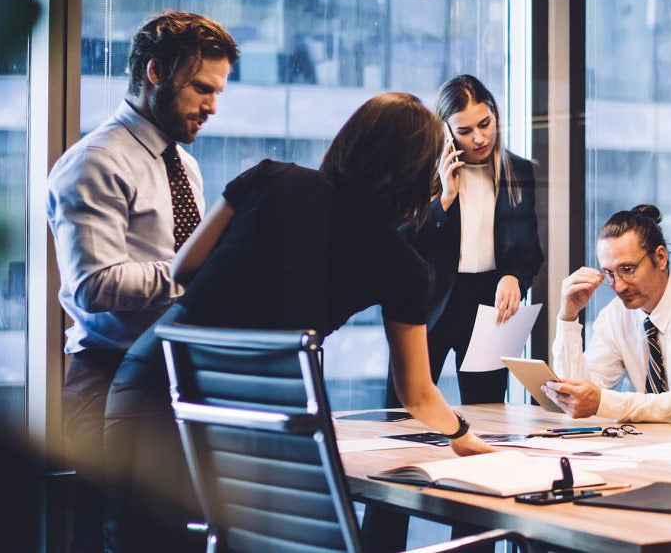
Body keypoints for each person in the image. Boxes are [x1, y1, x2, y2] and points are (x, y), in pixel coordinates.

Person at [101, 93, 494, 553]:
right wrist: (463, 436)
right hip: (262, 407)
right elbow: (418, 393)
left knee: (133, 540)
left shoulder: (272, 177)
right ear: (416, 173)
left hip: (157, 374)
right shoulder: (400, 262)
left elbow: (183, 269)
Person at [46, 10, 237, 553]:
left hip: (168, 378)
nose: (212, 106)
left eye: (218, 91)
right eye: (202, 88)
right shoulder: (95, 162)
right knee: (122, 540)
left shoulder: (183, 165)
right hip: (107, 382)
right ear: (156, 72)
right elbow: (93, 285)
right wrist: (195, 274)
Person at [543, 205, 671, 424]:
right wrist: (568, 318)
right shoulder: (616, 314)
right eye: (609, 273)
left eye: (628, 269)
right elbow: (578, 396)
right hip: (652, 443)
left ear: (660, 258)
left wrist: (604, 403)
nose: (619, 286)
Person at [410, 74, 542, 404]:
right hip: (431, 300)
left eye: (485, 123)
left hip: (489, 305)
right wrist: (444, 199)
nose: (479, 138)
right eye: (465, 131)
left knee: (488, 411)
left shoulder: (518, 171)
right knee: (405, 408)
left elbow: (529, 250)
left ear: (495, 113)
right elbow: (405, 243)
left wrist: (514, 277)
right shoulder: (424, 171)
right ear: (446, 131)